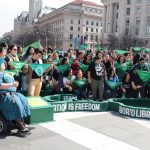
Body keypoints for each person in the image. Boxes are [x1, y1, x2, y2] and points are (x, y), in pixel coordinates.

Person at [0, 45, 30, 133]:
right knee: (13, 101)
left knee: (22, 98)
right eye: (4, 50)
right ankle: (19, 124)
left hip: (8, 91)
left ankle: (19, 122)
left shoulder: (3, 62)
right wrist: (11, 84)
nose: (6, 51)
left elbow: (3, 72)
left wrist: (7, 73)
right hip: (2, 93)